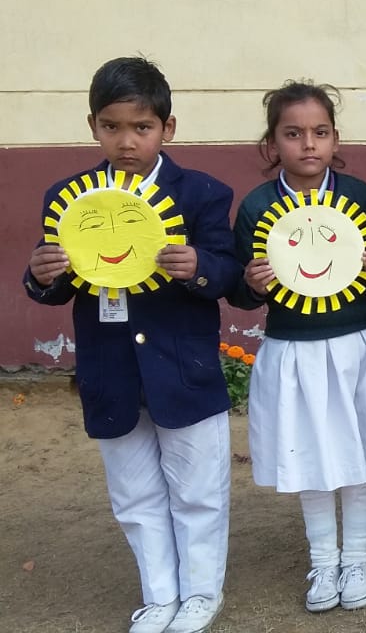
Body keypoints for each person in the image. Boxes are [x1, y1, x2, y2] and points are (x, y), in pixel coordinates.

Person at [23, 57, 240, 633]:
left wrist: (199, 267)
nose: (126, 141)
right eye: (112, 127)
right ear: (93, 126)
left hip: (183, 369)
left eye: (142, 127)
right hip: (111, 368)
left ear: (168, 128)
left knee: (198, 489)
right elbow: (55, 280)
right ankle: (159, 594)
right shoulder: (68, 197)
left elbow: (230, 272)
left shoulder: (202, 194)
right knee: (134, 492)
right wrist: (42, 275)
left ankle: (201, 592)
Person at [230, 81, 366, 614]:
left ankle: (357, 558)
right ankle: (324, 560)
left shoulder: (358, 196)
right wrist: (251, 283)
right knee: (311, 455)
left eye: (320, 132)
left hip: (358, 343)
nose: (308, 144)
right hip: (295, 349)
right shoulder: (257, 206)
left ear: (335, 139)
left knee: (357, 453)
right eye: (293, 133)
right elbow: (240, 291)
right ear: (272, 143)